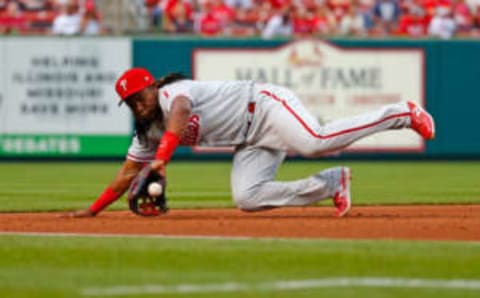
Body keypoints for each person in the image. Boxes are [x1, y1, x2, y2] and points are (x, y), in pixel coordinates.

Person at [68, 67, 435, 218]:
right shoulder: (146, 130)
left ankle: (401, 113)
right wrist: (93, 210)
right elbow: (126, 174)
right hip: (250, 140)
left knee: (314, 141)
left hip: (264, 106)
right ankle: (331, 183)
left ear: (152, 86)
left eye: (139, 95)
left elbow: (179, 116)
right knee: (247, 197)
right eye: (130, 102)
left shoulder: (172, 95)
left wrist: (162, 160)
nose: (138, 103)